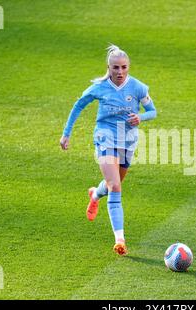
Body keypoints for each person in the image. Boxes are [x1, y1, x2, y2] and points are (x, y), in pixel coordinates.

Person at [59, 45, 157, 256]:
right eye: (115, 68)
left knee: (114, 184)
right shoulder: (99, 87)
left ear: (128, 67)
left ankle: (95, 194)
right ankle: (120, 239)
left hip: (128, 141)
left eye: (123, 67)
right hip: (105, 137)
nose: (120, 72)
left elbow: (153, 111)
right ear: (108, 67)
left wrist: (141, 117)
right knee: (115, 186)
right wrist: (66, 133)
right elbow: (78, 105)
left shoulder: (138, 88)